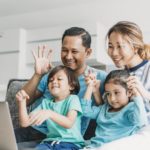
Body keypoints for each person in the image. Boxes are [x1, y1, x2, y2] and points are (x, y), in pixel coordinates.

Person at [15, 27, 107, 143]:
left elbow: (108, 113)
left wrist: (96, 93)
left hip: (66, 136)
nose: (68, 57)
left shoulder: (99, 77)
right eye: (64, 50)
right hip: (35, 129)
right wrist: (38, 74)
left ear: (88, 52)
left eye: (74, 51)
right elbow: (25, 100)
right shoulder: (53, 75)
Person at [98, 21, 150, 150]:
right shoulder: (116, 75)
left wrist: (143, 92)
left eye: (120, 46)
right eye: (110, 46)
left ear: (136, 47)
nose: (114, 53)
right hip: (122, 132)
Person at [16, 65, 85, 150]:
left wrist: (49, 113)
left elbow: (69, 123)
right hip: (49, 143)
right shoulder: (46, 103)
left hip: (71, 143)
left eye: (59, 79)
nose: (54, 81)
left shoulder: (73, 99)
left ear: (71, 86)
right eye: (51, 80)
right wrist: (22, 103)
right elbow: (25, 123)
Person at [81, 69, 147, 149]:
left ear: (129, 92)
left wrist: (136, 94)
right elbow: (85, 111)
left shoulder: (131, 109)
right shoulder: (104, 109)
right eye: (108, 93)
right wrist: (90, 87)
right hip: (94, 146)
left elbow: (141, 121)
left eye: (117, 93)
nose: (112, 98)